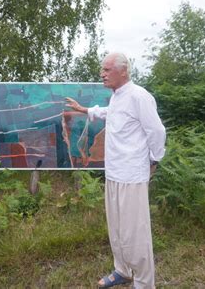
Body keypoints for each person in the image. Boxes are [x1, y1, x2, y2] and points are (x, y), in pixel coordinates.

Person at [66, 53, 166, 289]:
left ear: (123, 71)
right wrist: (85, 110)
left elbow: (157, 131)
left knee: (136, 233)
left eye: (107, 69)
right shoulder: (118, 97)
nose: (102, 73)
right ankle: (122, 270)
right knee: (117, 228)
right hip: (114, 173)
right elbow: (112, 114)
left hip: (132, 175)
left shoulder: (139, 96)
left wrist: (154, 161)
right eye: (103, 69)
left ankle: (143, 283)